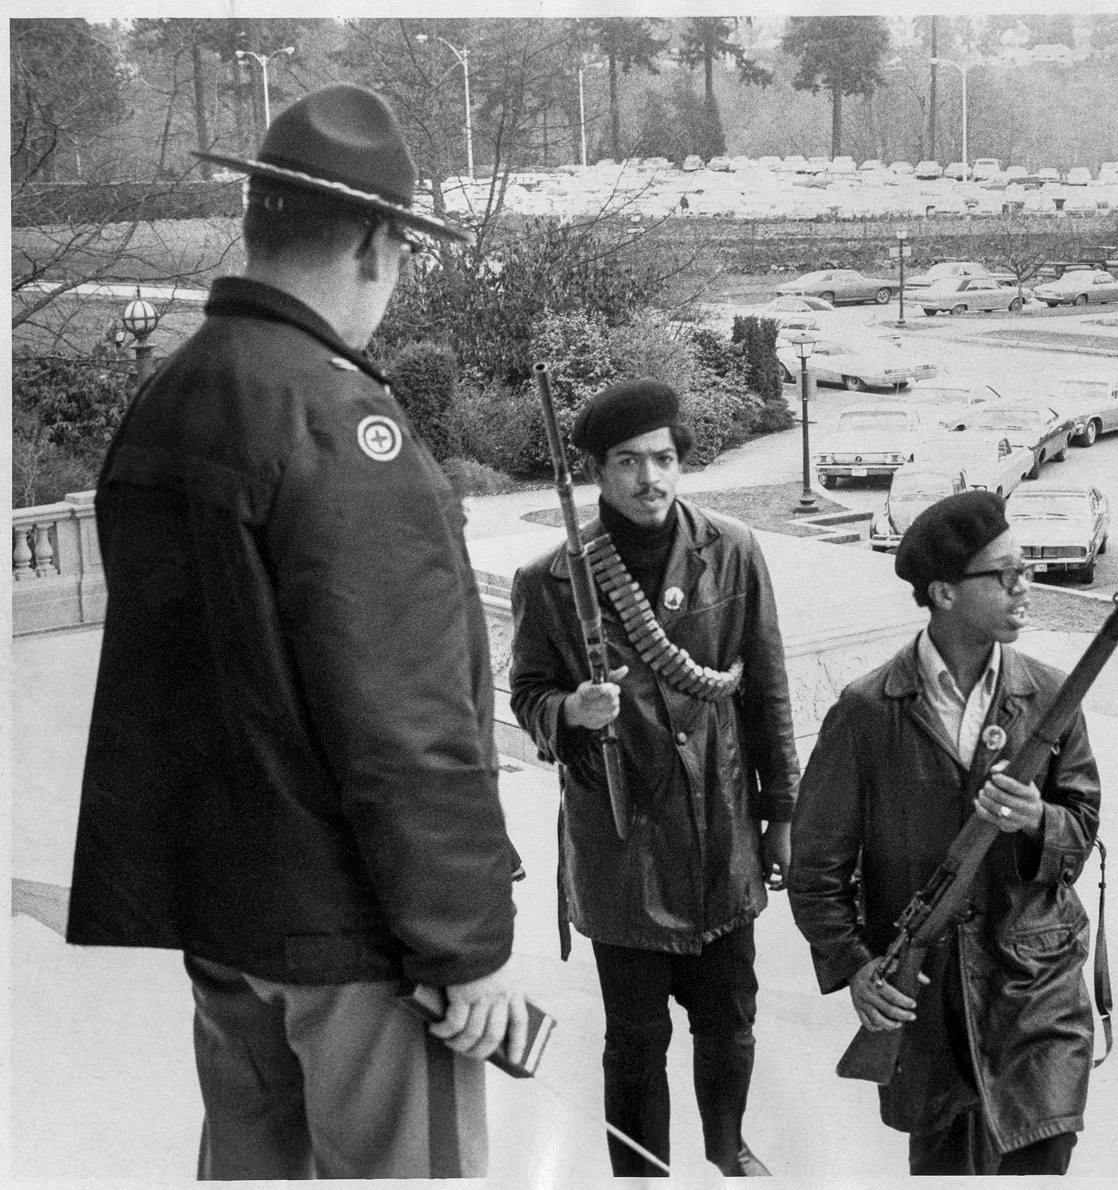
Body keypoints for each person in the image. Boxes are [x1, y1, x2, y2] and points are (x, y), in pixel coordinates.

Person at [65, 84, 529, 1180]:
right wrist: (467, 944)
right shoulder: (338, 423)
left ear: (256, 218)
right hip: (356, 944)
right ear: (376, 244)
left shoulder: (169, 394)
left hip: (227, 930)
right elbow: (408, 722)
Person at [509, 380, 800, 1177]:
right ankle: (641, 1174)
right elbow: (526, 694)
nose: (651, 479)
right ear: (598, 474)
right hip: (621, 837)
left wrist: (783, 813)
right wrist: (572, 708)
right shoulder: (549, 580)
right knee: (634, 1040)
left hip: (719, 826)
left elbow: (767, 690)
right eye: (629, 462)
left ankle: (726, 1149)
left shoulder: (732, 551)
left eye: (665, 458)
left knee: (730, 1018)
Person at [788, 490, 1102, 1176]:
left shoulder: (1051, 697)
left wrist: (1036, 820)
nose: (1025, 586)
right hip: (928, 1001)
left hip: (1035, 988)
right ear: (945, 594)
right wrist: (857, 967)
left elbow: (1081, 830)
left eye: (1025, 569)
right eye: (1005, 573)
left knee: (1041, 1156)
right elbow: (814, 871)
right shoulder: (869, 712)